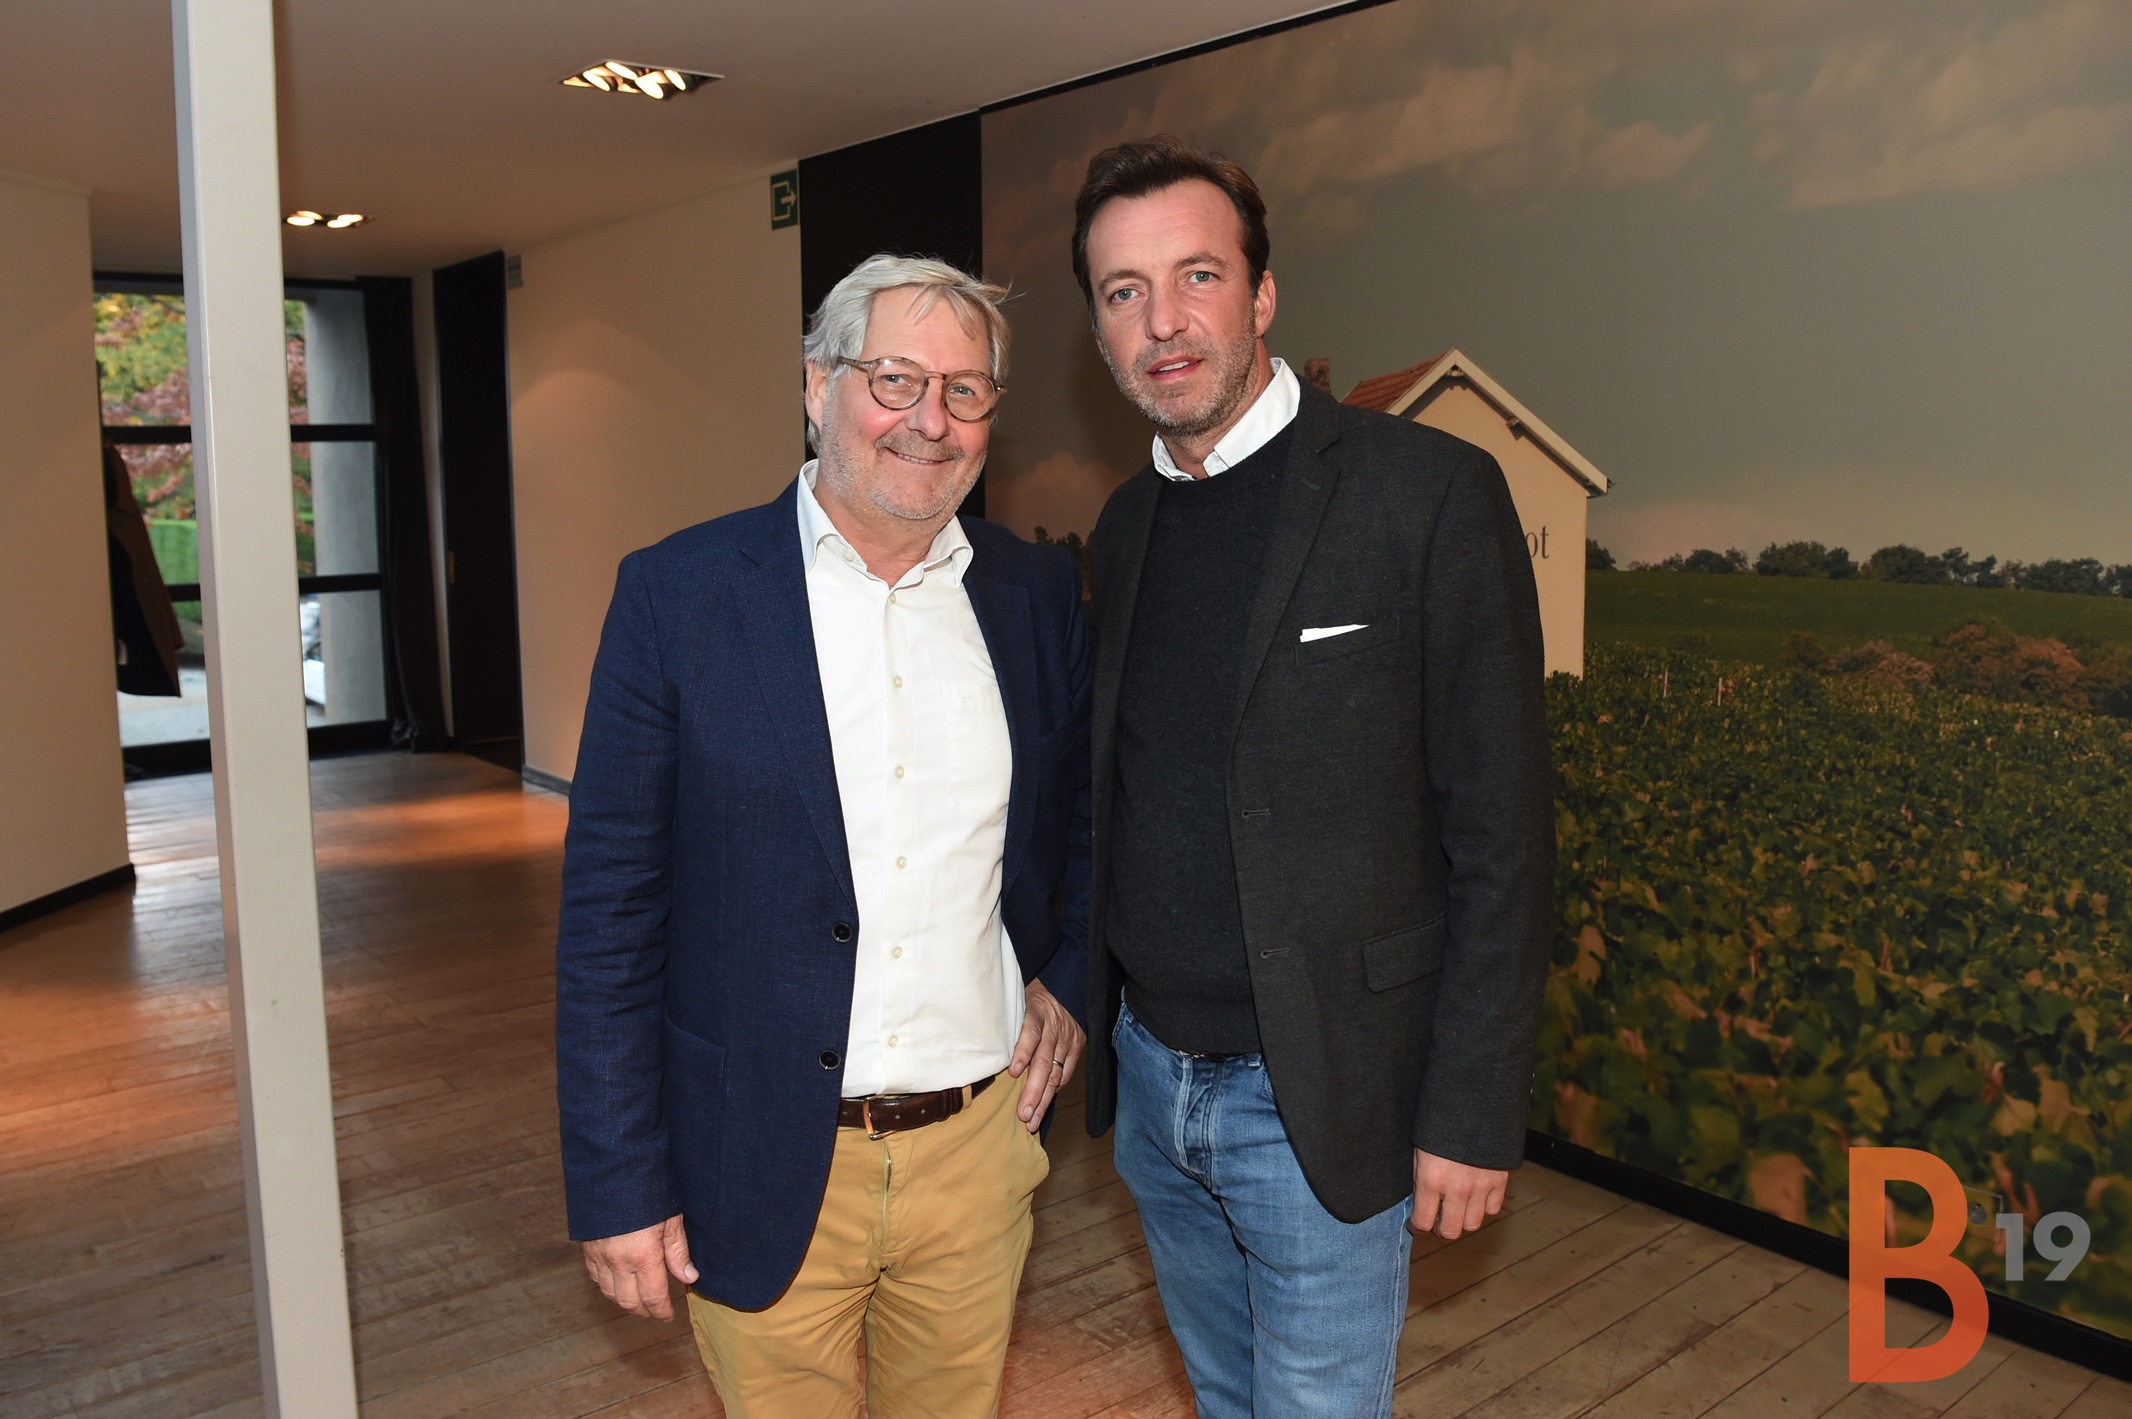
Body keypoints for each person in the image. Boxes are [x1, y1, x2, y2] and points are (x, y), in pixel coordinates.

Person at [555, 254, 1091, 1418]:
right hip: (753, 1153)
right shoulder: (679, 596)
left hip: (978, 1147)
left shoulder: (1032, 594)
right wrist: (617, 1181)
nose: (928, 420)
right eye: (894, 379)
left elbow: (1088, 816)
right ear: (815, 386)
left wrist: (1070, 974)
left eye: (963, 390)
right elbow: (609, 913)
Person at [1077, 137, 1555, 1417]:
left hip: (1324, 1100)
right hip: (1152, 1086)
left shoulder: (1425, 495)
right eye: (1123, 291)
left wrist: (1470, 1110)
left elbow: (1503, 833)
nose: (1162, 322)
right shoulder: (1123, 528)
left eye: (1196, 276)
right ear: (1098, 328)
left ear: (1262, 296)